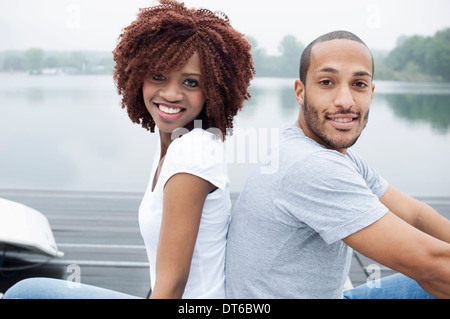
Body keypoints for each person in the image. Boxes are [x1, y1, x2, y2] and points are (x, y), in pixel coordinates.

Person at [4, 0, 254, 299]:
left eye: (190, 82)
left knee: (27, 293)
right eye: (159, 76)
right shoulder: (175, 142)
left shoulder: (192, 154)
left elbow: (172, 288)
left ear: (214, 89)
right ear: (136, 75)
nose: (172, 93)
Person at [225, 30, 450, 299]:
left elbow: (415, 215)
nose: (345, 101)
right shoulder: (309, 166)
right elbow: (436, 268)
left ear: (371, 93)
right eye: (327, 82)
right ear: (300, 92)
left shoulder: (332, 153)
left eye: (359, 84)